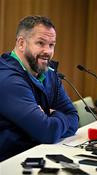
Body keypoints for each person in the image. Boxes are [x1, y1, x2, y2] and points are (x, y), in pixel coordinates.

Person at [0, 15, 79, 161]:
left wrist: (49, 117)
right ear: (21, 43)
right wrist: (56, 117)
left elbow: (74, 117)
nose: (48, 51)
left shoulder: (48, 73)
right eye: (40, 43)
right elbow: (47, 132)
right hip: (10, 163)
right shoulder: (7, 79)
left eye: (51, 45)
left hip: (38, 156)